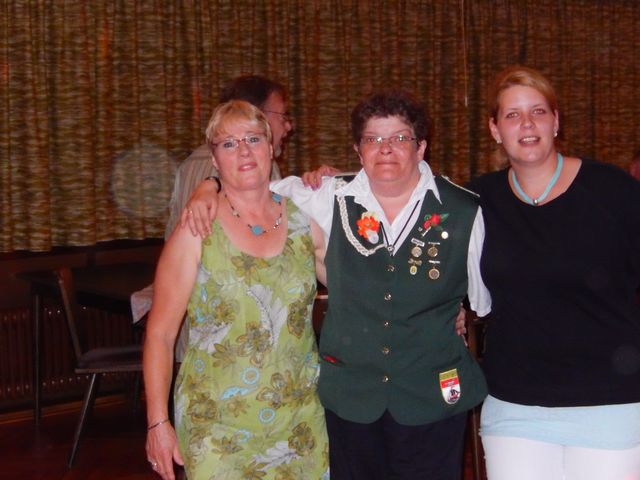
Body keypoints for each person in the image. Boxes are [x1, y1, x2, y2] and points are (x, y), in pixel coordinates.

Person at [182, 90, 491, 479]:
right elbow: (252, 184)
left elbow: (482, 301)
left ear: (421, 147)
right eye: (373, 139)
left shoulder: (463, 210)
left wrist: (457, 310)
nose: (386, 149)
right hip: (351, 396)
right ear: (358, 151)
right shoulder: (329, 196)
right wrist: (208, 185)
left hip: (431, 398)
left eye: (400, 137)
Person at [468, 65, 640, 480]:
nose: (526, 124)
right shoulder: (476, 199)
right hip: (514, 406)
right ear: (495, 129)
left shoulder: (613, 190)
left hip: (609, 404)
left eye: (538, 111)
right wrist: (325, 187)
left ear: (556, 121)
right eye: (512, 115)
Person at [144, 100, 329, 480]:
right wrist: (157, 423)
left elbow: (359, 289)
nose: (243, 151)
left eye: (253, 139)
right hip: (216, 427)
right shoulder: (196, 229)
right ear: (214, 159)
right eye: (229, 143)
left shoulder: (304, 222)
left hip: (299, 422)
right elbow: (160, 334)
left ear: (271, 147)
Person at [164, 74, 294, 238]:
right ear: (255, 115)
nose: (288, 126)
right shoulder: (251, 167)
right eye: (283, 116)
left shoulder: (191, 162)